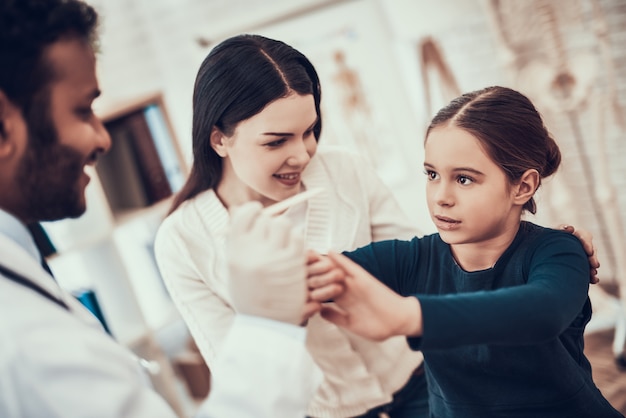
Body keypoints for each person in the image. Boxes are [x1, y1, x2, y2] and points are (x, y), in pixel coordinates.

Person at [153, 34, 600, 418]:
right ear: (219, 138)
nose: (303, 153)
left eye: (310, 131)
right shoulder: (181, 241)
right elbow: (245, 371)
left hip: (420, 384)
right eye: (277, 141)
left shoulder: (343, 171)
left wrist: (550, 258)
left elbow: (432, 269)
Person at [0, 1, 326, 417]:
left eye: (309, 131)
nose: (103, 140)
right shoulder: (18, 337)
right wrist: (268, 324)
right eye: (83, 111)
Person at [307, 86, 623, 417]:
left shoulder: (559, 251)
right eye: (432, 174)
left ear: (523, 186)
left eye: (464, 179)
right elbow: (304, 275)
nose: (440, 196)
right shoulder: (413, 260)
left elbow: (542, 312)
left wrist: (409, 316)